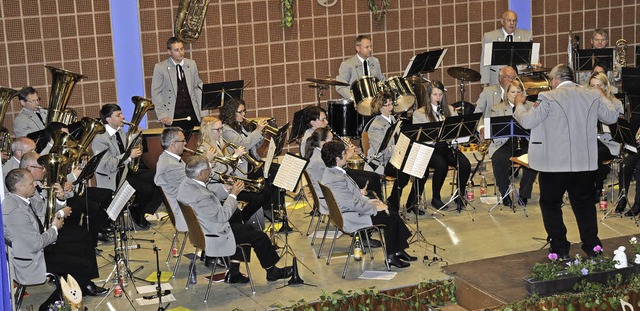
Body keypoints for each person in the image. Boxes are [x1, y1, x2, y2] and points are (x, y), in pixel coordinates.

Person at [513, 64, 619, 259]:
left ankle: (560, 248)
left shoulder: (548, 97)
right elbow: (612, 117)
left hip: (554, 165)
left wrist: (519, 104)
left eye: (551, 79)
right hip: (583, 163)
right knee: (584, 205)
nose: (550, 82)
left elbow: (528, 121)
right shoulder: (591, 95)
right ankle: (593, 247)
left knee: (551, 205)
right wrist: (602, 95)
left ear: (556, 80)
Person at [177, 155, 293, 283]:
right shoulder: (201, 195)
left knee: (239, 219)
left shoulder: (186, 184)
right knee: (258, 236)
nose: (211, 171)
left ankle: (234, 271)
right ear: (201, 173)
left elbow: (208, 194)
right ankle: (272, 272)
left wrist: (225, 188)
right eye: (208, 170)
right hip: (214, 234)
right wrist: (233, 194)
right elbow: (223, 215)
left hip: (204, 227)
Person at [3, 169, 106, 311]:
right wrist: (54, 228)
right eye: (31, 183)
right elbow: (36, 244)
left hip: (41, 250)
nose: (35, 185)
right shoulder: (15, 212)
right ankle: (49, 307)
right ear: (20, 187)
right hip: (33, 259)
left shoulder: (21, 199)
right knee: (84, 267)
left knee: (82, 246)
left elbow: (42, 213)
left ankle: (77, 292)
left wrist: (59, 205)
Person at [320, 141, 416, 268]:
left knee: (390, 208)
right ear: (337, 159)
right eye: (344, 153)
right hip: (350, 217)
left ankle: (398, 250)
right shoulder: (336, 179)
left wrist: (369, 201)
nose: (346, 155)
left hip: (350, 211)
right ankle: (391, 255)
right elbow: (352, 204)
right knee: (390, 217)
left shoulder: (332, 172)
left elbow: (350, 197)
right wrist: (374, 208)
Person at [91, 104, 162, 229]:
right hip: (114, 176)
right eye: (118, 115)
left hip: (125, 171)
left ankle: (140, 210)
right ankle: (136, 212)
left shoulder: (120, 131)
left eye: (121, 114)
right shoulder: (100, 138)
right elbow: (106, 165)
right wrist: (129, 156)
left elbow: (125, 146)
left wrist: (137, 136)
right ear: (108, 120)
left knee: (160, 177)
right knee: (147, 189)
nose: (123, 117)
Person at [413, 81, 471, 211]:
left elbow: (458, 130)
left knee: (465, 164)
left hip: (447, 146)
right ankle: (436, 197)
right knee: (441, 165)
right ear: (429, 96)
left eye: (440, 95)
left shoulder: (449, 110)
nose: (438, 98)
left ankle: (459, 194)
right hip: (430, 149)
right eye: (435, 95)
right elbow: (420, 139)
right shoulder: (419, 114)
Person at [484, 80, 538, 206]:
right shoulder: (497, 108)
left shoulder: (531, 106)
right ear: (507, 94)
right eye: (513, 92)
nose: (516, 95)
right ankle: (505, 193)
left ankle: (524, 193)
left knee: (534, 158)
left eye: (519, 92)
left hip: (526, 141)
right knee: (499, 159)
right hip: (505, 141)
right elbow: (494, 133)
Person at [151, 37, 203, 130]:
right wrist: (162, 114)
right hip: (173, 114)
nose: (180, 52)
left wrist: (203, 112)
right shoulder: (160, 67)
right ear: (169, 52)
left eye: (182, 49)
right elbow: (156, 93)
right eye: (176, 50)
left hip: (192, 112)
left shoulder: (191, 64)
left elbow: (198, 88)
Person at [587, 72, 624, 204]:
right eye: (592, 86)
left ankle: (597, 189)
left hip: (610, 142)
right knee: (587, 149)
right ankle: (585, 187)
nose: (595, 89)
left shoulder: (616, 103)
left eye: (599, 86)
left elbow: (618, 127)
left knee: (595, 153)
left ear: (605, 87)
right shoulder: (587, 102)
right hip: (593, 140)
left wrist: (602, 97)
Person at [480, 10, 532, 85]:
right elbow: (485, 62)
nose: (512, 23)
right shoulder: (490, 37)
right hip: (497, 79)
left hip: (519, 79)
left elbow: (532, 58)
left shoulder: (526, 35)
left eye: (514, 21)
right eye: (509, 20)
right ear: (502, 22)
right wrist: (485, 82)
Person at [335, 35, 386, 99]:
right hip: (355, 104)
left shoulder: (375, 61)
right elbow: (340, 86)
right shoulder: (347, 64)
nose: (370, 49)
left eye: (370, 46)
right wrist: (353, 98)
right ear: (358, 48)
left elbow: (381, 80)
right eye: (367, 47)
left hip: (374, 101)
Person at [475, 66, 518, 134]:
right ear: (500, 78)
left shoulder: (519, 93)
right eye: (507, 77)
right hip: (492, 132)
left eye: (513, 78)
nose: (510, 80)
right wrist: (481, 128)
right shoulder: (488, 92)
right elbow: (477, 112)